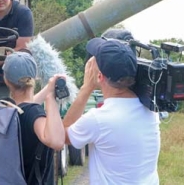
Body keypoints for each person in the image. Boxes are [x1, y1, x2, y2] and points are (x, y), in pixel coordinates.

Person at [63, 37, 161, 185]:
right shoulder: (151, 112)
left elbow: (63, 135)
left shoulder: (98, 119)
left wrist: (86, 87)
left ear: (100, 76)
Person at [2, 51, 65, 184]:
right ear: (35, 77)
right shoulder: (34, 114)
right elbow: (57, 142)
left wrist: (48, 88)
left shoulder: (7, 109)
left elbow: (26, 105)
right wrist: (51, 99)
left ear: (6, 80)